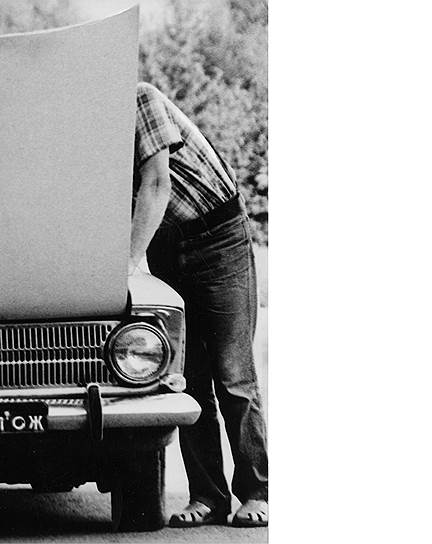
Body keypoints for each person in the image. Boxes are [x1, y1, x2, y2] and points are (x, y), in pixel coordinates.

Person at [129, 82, 268, 527]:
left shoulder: (139, 98)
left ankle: (257, 491)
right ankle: (208, 496)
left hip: (219, 235)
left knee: (234, 375)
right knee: (187, 378)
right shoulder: (87, 132)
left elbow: (157, 183)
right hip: (169, 244)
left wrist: (129, 263)